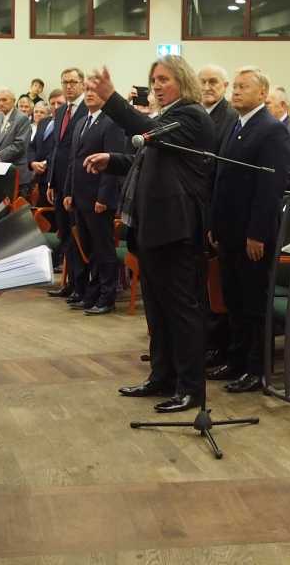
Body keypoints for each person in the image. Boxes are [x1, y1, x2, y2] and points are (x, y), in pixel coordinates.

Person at [84, 57, 214, 413]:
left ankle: (191, 389)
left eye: (164, 79)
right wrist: (112, 159)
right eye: (153, 79)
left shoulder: (190, 116)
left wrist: (111, 98)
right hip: (153, 227)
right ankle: (162, 377)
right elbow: (147, 159)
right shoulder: (167, 117)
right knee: (157, 310)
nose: (156, 85)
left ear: (183, 81)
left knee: (181, 311)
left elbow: (148, 132)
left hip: (176, 229)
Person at [206, 67, 290, 394]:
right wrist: (214, 224)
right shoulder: (235, 124)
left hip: (253, 234)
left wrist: (257, 233)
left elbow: (270, 187)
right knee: (233, 300)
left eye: (244, 87)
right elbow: (221, 178)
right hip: (228, 230)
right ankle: (236, 359)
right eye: (236, 86)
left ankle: (256, 369)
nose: (236, 91)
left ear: (262, 93)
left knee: (253, 303)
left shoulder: (271, 129)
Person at [63, 79, 127, 315]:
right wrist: (68, 191)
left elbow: (113, 162)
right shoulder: (82, 121)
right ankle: (92, 294)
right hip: (80, 195)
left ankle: (107, 296)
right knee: (87, 249)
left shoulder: (112, 122)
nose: (90, 94)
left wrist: (104, 197)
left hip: (98, 198)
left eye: (95, 91)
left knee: (103, 249)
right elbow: (74, 161)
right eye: (87, 90)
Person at [43, 70, 84, 297]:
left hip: (77, 183)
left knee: (79, 237)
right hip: (58, 182)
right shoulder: (60, 111)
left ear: (82, 84)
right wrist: (50, 182)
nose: (69, 86)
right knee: (66, 235)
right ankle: (71, 283)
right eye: (65, 82)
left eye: (73, 82)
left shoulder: (88, 109)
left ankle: (82, 286)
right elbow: (55, 150)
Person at [196, 64, 239, 141]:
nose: (206, 88)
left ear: (225, 86)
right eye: (203, 82)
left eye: (213, 82)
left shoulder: (233, 117)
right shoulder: (191, 112)